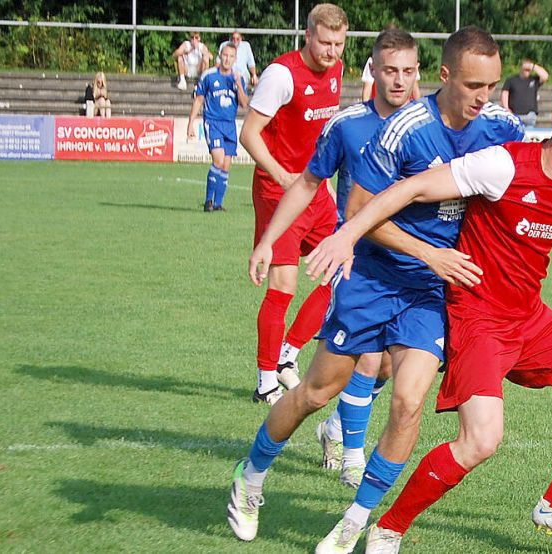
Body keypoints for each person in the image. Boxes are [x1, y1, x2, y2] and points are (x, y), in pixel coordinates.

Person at [305, 90, 552, 553]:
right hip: (478, 321)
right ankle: (389, 528)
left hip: (528, 318)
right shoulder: (502, 166)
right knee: (480, 442)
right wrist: (349, 232)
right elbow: (413, 187)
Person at [245, 27, 419, 499]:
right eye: (390, 71)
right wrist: (268, 240)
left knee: (386, 369)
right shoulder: (348, 125)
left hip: (411, 273)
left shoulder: (430, 125)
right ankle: (349, 459)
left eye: (408, 71)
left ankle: (338, 433)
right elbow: (306, 182)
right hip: (357, 264)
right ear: (374, 72)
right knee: (351, 368)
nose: (399, 80)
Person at [239, 3, 347, 405]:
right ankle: (265, 378)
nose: (332, 51)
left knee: (337, 275)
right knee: (283, 287)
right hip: (277, 191)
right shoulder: (281, 75)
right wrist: (282, 175)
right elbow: (249, 133)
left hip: (316, 190)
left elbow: (323, 134)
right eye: (324, 42)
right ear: (307, 36)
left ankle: (289, 354)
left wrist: (327, 182)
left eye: (338, 43)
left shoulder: (336, 70)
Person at [187, 43, 249, 212]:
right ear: (220, 56)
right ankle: (208, 202)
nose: (227, 59)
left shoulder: (238, 78)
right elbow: (199, 99)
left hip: (230, 125)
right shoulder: (209, 76)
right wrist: (191, 123)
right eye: (225, 55)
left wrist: (238, 84)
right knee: (218, 161)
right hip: (213, 123)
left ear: (235, 59)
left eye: (231, 57)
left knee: (226, 166)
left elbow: (244, 103)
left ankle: (218, 203)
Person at [501, 58, 549, 127]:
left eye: (529, 70)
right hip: (514, 115)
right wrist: (506, 108)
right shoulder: (511, 80)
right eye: (525, 69)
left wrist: (532, 66)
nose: (527, 71)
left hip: (530, 116)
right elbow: (505, 92)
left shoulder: (534, 80)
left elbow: (545, 76)